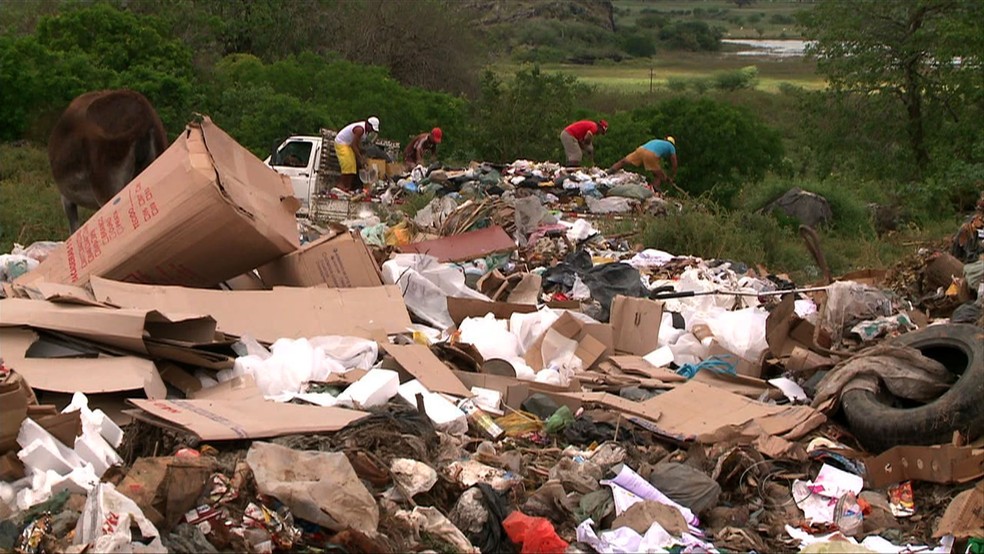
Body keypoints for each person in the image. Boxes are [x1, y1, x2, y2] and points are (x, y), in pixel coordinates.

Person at [608, 136, 677, 192]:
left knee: (623, 161)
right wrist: (672, 176)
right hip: (651, 154)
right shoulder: (671, 146)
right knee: (659, 175)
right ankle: (654, 188)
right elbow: (674, 162)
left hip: (641, 149)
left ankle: (610, 171)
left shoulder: (657, 141)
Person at [334, 116, 379, 191]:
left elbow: (357, 144)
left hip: (348, 144)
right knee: (348, 165)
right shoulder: (360, 130)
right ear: (368, 124)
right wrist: (360, 159)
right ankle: (340, 186)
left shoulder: (365, 132)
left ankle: (347, 187)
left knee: (353, 167)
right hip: (341, 143)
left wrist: (361, 152)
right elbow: (353, 145)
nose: (372, 131)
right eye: (372, 128)